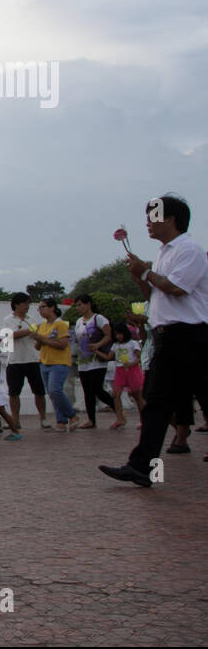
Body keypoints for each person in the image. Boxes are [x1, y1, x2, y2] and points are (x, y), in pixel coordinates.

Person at [101, 195, 208, 486]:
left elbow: (177, 288)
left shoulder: (190, 250)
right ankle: (141, 466)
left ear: (172, 219)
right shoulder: (165, 253)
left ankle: (141, 465)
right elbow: (154, 295)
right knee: (158, 402)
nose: (148, 222)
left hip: (188, 334)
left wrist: (146, 272)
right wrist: (140, 277)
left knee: (159, 402)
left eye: (154, 216)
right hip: (169, 336)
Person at [3, 292, 47, 432]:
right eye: (25, 303)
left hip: (33, 358)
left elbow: (36, 336)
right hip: (15, 360)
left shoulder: (31, 318)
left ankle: (43, 418)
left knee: (39, 391)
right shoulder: (8, 320)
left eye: (29, 303)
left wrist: (36, 333)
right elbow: (9, 336)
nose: (28, 306)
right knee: (14, 393)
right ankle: (16, 419)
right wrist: (30, 330)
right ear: (17, 304)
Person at [30, 297, 75, 430]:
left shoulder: (60, 324)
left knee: (55, 390)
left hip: (59, 362)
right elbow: (38, 347)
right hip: (45, 361)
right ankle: (61, 421)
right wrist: (37, 338)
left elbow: (62, 344)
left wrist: (43, 339)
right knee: (52, 392)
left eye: (43, 307)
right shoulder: (43, 325)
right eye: (39, 308)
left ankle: (72, 415)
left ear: (52, 308)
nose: (40, 311)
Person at [71, 293, 113, 429]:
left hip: (97, 359)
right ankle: (91, 419)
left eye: (80, 304)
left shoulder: (98, 318)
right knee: (87, 391)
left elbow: (108, 335)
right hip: (83, 360)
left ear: (88, 304)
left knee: (97, 389)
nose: (78, 308)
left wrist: (98, 345)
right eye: (76, 305)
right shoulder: (78, 321)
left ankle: (116, 407)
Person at [94, 321, 143, 429]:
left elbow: (139, 358)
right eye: (116, 334)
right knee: (116, 394)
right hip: (120, 370)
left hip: (132, 370)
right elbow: (108, 357)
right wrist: (96, 351)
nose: (118, 336)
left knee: (137, 396)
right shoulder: (115, 345)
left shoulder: (133, 343)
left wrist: (131, 364)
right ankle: (120, 418)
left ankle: (143, 419)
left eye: (120, 334)